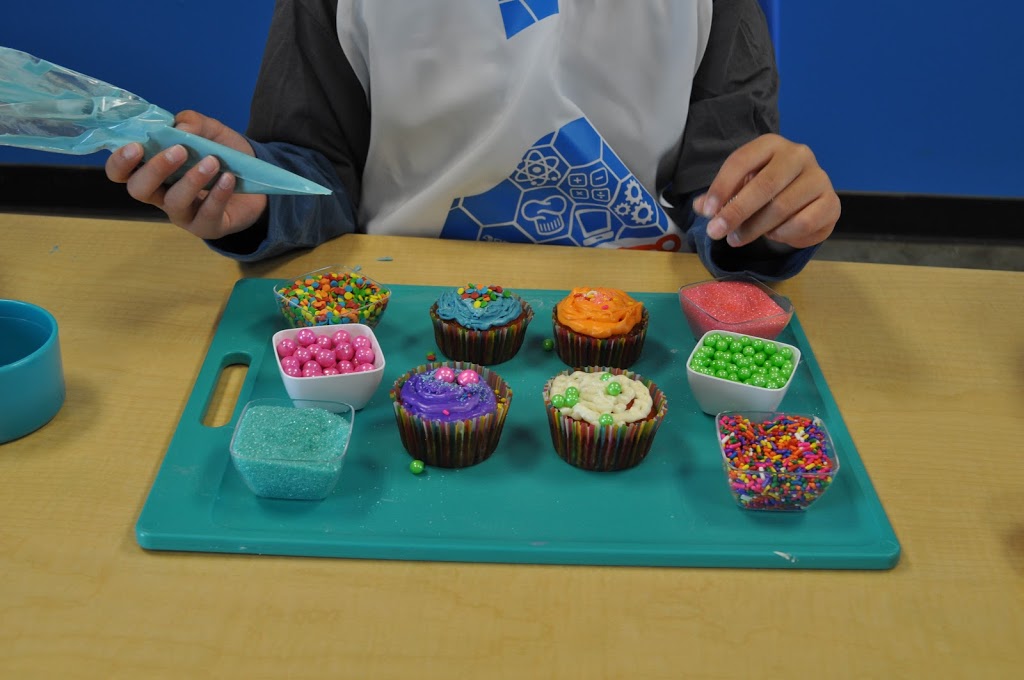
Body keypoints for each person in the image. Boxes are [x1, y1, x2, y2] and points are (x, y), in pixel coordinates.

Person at [105, 0, 840, 281]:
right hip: (395, 300)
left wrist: (772, 218)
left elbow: (725, 200)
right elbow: (315, 171)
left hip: (637, 304)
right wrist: (260, 198)